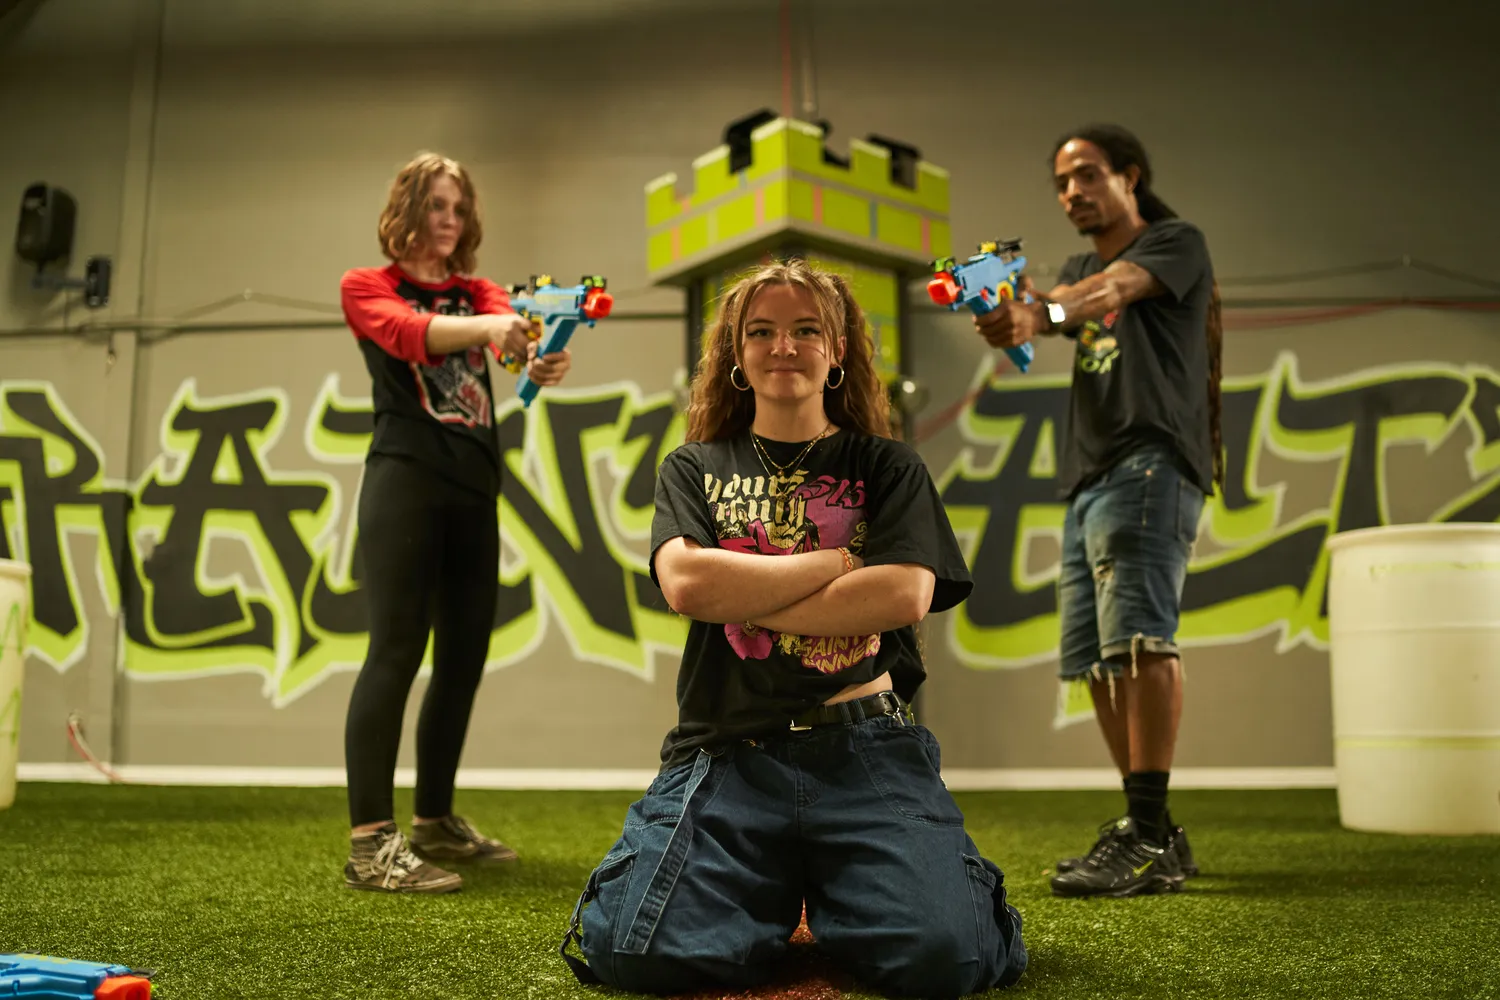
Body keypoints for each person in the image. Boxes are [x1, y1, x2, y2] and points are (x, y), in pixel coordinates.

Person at [558, 259, 1028, 997]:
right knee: (627, 950)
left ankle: (846, 892)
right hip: (730, 752)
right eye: (763, 331)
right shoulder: (693, 467)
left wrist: (741, 593)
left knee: (951, 959)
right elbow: (686, 583)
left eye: (806, 330)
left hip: (865, 748)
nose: (785, 346)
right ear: (736, 355)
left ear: (837, 350)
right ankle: (776, 892)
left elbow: (904, 593)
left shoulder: (888, 466)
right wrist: (842, 560)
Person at [972, 124, 1222, 899]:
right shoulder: (1079, 267)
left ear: (1130, 177)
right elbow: (1059, 306)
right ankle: (1153, 830)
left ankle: (1146, 835)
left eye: (1085, 175)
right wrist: (1006, 310)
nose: (1071, 192)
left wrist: (1037, 316)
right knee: (1100, 661)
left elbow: (1109, 294)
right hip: (1089, 475)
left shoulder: (1175, 242)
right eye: (1060, 183)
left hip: (1152, 459)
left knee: (1142, 639)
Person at [336, 151, 573, 893]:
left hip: (474, 488)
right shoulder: (367, 287)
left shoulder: (478, 292)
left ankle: (435, 820)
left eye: (459, 209)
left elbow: (510, 346)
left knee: (464, 659)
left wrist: (536, 357)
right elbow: (414, 336)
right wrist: (494, 327)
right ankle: (371, 843)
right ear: (407, 210)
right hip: (405, 482)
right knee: (395, 651)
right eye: (437, 205)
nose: (450, 220)